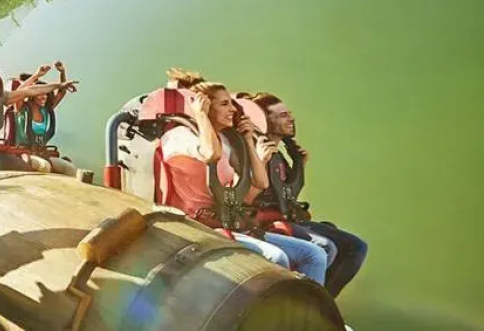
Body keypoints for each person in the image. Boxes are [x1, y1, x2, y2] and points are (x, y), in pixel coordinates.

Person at [158, 69, 329, 284]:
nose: (232, 109)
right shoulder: (179, 137)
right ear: (203, 105)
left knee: (314, 255)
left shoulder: (228, 142)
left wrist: (248, 142)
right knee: (276, 258)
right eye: (224, 104)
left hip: (231, 222)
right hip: (199, 226)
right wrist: (200, 116)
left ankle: (310, 304)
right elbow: (210, 154)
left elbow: (258, 184)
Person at [248, 92, 368, 297]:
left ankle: (322, 300)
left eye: (289, 113)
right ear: (264, 120)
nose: (291, 119)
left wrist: (298, 166)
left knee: (356, 245)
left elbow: (287, 196)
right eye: (283, 115)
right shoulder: (259, 152)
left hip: (285, 217)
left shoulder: (277, 155)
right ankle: (314, 302)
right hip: (265, 222)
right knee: (331, 246)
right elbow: (276, 197)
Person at [11, 61, 77, 175]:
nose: (44, 96)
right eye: (40, 93)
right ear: (32, 94)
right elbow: (18, 93)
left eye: (46, 93)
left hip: (42, 153)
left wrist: (62, 72)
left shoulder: (46, 110)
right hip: (23, 153)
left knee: (70, 168)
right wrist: (36, 75)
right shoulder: (21, 108)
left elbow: (61, 92)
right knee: (44, 166)